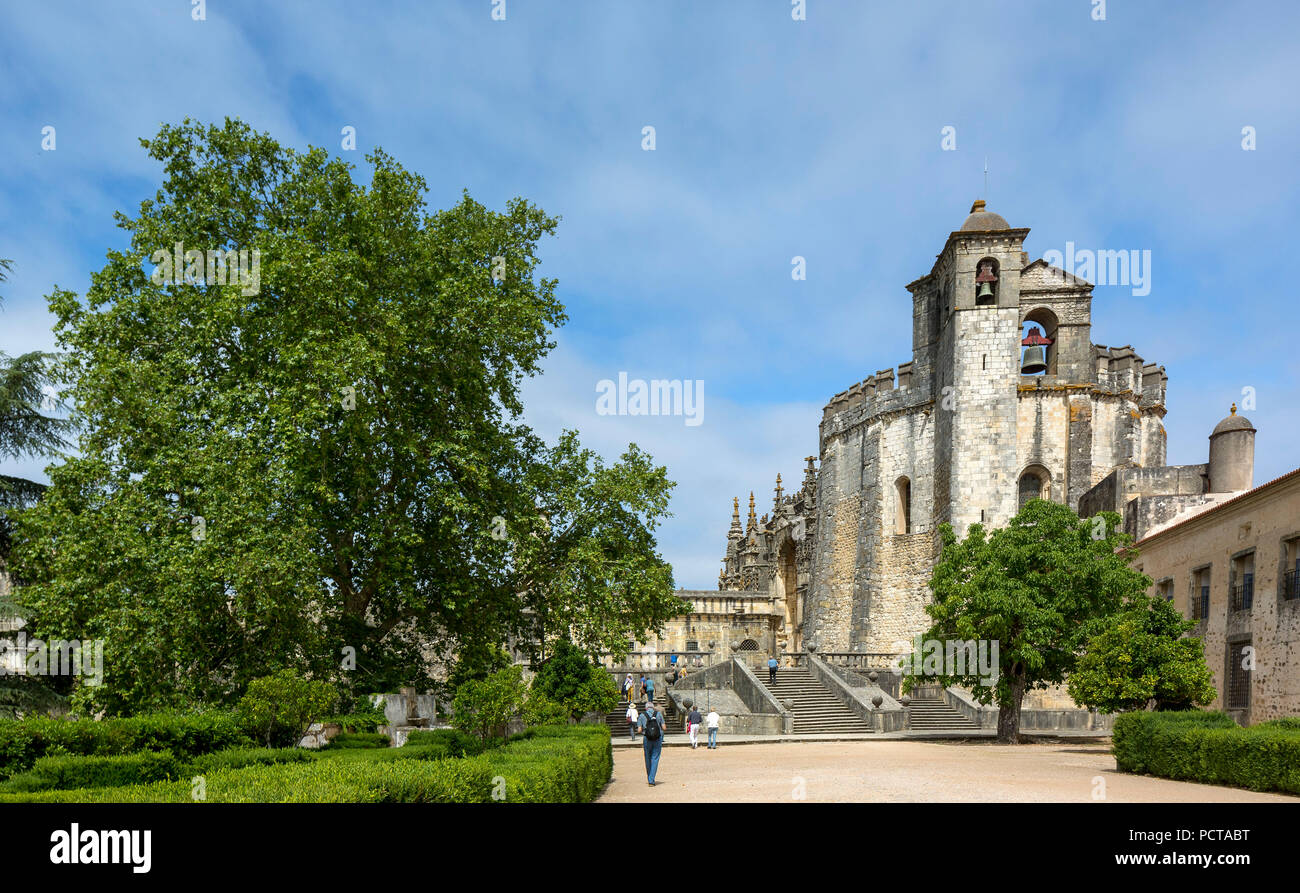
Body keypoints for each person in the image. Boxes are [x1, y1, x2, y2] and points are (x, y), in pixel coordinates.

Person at [636, 700, 666, 785]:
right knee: (655, 758)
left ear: (646, 708)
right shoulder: (658, 714)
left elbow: (639, 730)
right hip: (657, 738)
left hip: (647, 738)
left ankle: (650, 777)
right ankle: (651, 779)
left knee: (647, 758)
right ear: (653, 707)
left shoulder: (642, 715)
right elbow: (664, 728)